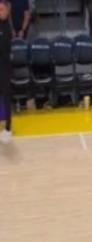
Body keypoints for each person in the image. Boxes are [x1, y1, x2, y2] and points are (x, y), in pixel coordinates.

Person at [0, 0, 12, 143]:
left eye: (1, 9)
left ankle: (8, 128)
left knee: (6, 97)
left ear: (7, 11)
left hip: (4, 68)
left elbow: (3, 48)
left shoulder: (6, 28)